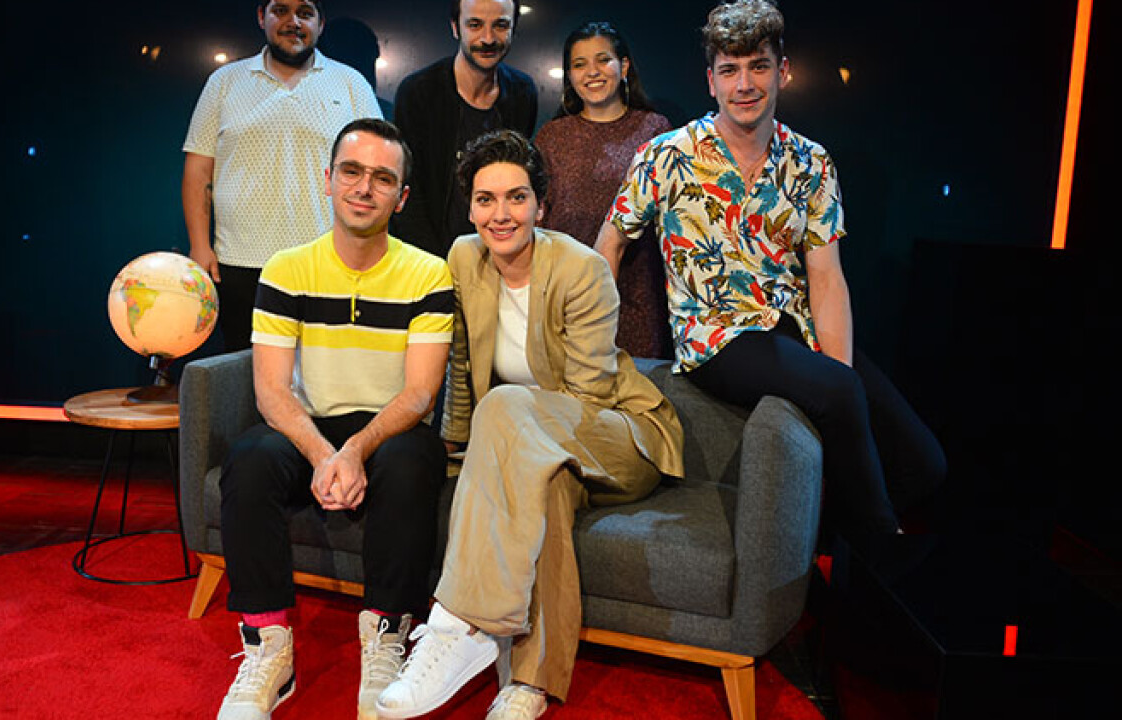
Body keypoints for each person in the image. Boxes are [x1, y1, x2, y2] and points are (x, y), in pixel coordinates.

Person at [596, 0, 945, 547]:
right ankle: (881, 551)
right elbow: (609, 246)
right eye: (730, 70)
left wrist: (838, 380)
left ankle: (821, 549)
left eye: (758, 66)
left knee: (924, 465)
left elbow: (826, 278)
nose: (744, 84)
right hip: (717, 336)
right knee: (841, 400)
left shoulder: (811, 162)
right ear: (710, 81)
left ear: (782, 71)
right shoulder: (664, 156)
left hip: (794, 327)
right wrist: (592, 344)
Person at [376, 130, 683, 720]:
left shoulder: (581, 268)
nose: (501, 214)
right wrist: (464, 456)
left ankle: (457, 625)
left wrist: (504, 443)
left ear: (541, 206)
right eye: (486, 199)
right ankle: (527, 686)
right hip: (535, 441)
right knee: (545, 488)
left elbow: (588, 396)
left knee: (508, 409)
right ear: (470, 209)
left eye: (517, 198)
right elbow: (461, 367)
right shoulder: (463, 258)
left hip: (618, 434)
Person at [214, 119, 453, 720]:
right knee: (250, 458)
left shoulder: (429, 273)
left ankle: (387, 637)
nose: (363, 188)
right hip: (310, 426)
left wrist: (356, 450)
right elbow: (271, 391)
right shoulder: (286, 268)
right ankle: (268, 648)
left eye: (382, 178)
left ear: (401, 197)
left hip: (387, 430)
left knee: (414, 456)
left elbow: (420, 394)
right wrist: (326, 454)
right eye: (351, 171)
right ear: (328, 180)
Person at [182, 0, 382, 352]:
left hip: (328, 263)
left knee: (323, 375)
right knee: (245, 373)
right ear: (262, 16)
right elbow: (198, 172)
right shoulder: (224, 82)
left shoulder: (351, 84)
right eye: (281, 11)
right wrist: (200, 246)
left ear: (320, 23)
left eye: (305, 13)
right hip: (239, 265)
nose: (294, 22)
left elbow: (378, 169)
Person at [533, 21, 673, 360]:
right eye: (580, 64)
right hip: (565, 292)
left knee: (634, 386)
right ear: (569, 75)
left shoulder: (655, 130)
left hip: (637, 295)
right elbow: (536, 216)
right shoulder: (552, 136)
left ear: (623, 66)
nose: (592, 72)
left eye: (603, 60)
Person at [391, 0, 538, 258]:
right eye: (475, 25)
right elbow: (408, 191)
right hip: (430, 259)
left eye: (500, 25)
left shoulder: (522, 92)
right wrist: (433, 266)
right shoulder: (419, 92)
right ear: (455, 27)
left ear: (514, 28)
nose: (488, 38)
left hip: (499, 258)